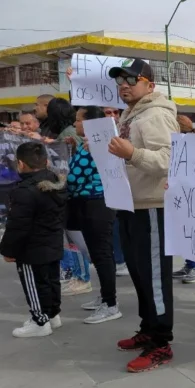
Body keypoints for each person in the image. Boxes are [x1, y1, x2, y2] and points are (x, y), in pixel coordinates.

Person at [106, 58, 179, 373]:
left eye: (131, 79)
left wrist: (131, 154)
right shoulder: (132, 114)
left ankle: (161, 343)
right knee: (139, 273)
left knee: (154, 277)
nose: (123, 85)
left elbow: (169, 159)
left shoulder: (155, 115)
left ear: (150, 84)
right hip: (131, 203)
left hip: (152, 206)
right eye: (120, 80)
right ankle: (148, 327)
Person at [0, 142, 66, 338]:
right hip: (53, 241)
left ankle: (40, 320)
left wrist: (7, 250)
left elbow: (17, 226)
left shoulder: (25, 191)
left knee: (34, 284)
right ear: (46, 161)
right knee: (51, 281)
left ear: (20, 164)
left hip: (32, 248)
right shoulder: (56, 182)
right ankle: (52, 314)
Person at [67, 106, 123, 324]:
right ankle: (105, 296)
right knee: (99, 254)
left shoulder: (96, 145)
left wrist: (65, 179)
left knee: (102, 254)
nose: (75, 124)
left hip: (96, 204)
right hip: (91, 203)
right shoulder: (88, 144)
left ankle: (110, 304)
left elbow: (75, 177)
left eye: (78, 120)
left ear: (89, 123)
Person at [171, 115, 195, 285]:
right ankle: (190, 264)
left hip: (194, 195)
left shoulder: (193, 143)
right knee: (185, 232)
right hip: (183, 193)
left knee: (194, 233)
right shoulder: (183, 141)